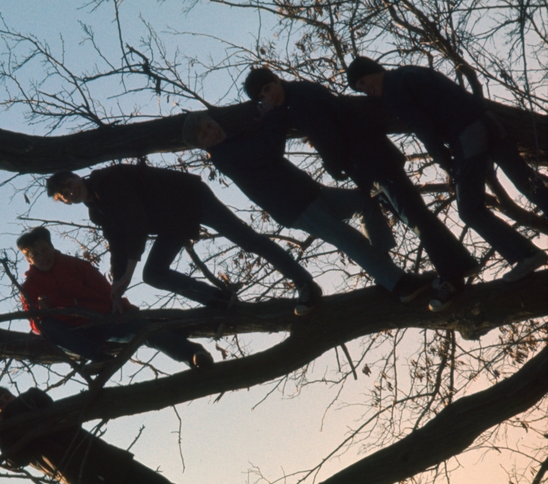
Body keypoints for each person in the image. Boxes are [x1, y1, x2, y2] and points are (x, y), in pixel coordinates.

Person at [243, 67, 481, 311]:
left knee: (414, 216)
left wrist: (333, 166)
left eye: (267, 89)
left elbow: (329, 134)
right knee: (412, 214)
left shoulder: (303, 98)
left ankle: (453, 276)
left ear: (276, 80)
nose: (268, 97)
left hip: (374, 161)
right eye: (261, 97)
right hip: (367, 166)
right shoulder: (296, 99)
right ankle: (460, 264)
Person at [182, 110, 436, 303]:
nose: (211, 131)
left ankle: (385, 271)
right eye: (204, 134)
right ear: (202, 145)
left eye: (209, 125)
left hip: (312, 193)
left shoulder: (234, 140)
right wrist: (273, 115)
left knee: (365, 202)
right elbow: (269, 148)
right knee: (350, 239)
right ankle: (401, 286)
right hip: (297, 207)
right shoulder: (226, 156)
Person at [346, 56, 548, 284]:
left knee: (470, 210)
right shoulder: (412, 72)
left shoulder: (393, 90)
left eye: (363, 81)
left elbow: (425, 129)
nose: (365, 90)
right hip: (489, 122)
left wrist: (448, 166)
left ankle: (526, 255)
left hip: (467, 135)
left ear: (374, 71)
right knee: (526, 181)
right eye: (360, 88)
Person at [46, 164, 322, 316]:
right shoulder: (97, 212)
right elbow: (117, 244)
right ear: (66, 203)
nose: (71, 191)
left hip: (191, 198)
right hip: (172, 222)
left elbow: (135, 221)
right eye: (64, 195)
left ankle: (305, 283)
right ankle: (222, 302)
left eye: (69, 184)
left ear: (76, 176)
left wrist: (128, 274)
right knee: (154, 273)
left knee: (248, 241)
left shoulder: (106, 179)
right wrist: (117, 288)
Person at [0, 386, 250, 484]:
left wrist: (3, 419)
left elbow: (38, 397)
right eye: (1, 404)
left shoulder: (33, 403)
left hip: (111, 462)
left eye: (8, 397)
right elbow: (14, 457)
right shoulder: (11, 437)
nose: (9, 403)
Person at [17, 226, 213, 371]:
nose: (42, 256)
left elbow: (108, 294)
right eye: (35, 254)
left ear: (51, 247)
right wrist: (43, 312)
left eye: (44, 250)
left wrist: (124, 309)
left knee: (145, 330)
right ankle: (101, 359)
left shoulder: (77, 266)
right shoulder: (29, 287)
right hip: (72, 333)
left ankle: (194, 354)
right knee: (47, 326)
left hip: (101, 320)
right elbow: (35, 324)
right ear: (29, 259)